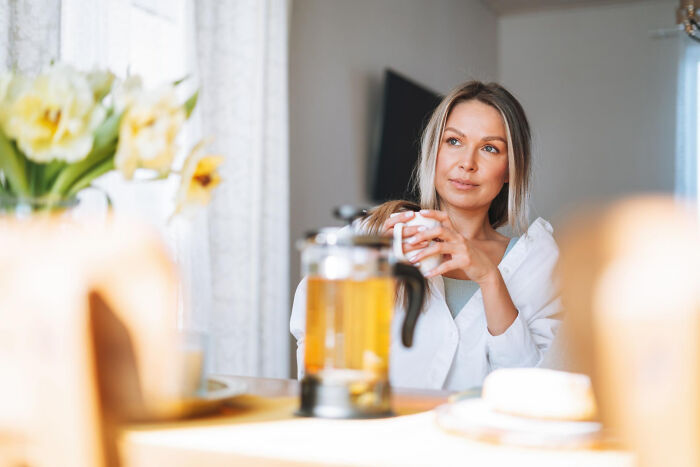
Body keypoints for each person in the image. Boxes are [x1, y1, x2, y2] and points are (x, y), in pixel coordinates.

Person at [290, 81, 561, 390]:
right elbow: (318, 349)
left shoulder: (537, 262)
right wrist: (362, 271)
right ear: (434, 151)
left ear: (511, 168)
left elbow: (534, 389)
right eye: (454, 141)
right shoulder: (374, 233)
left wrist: (489, 277)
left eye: (489, 148)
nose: (467, 163)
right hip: (383, 433)